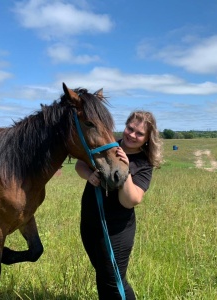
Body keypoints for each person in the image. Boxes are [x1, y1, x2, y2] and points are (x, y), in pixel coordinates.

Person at [75, 110, 163, 300]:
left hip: (116, 230)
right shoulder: (106, 145)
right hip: (90, 223)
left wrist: (124, 168)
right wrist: (89, 175)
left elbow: (130, 200)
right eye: (130, 128)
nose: (132, 135)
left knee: (115, 281)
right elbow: (80, 165)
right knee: (102, 274)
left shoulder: (143, 163)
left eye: (139, 134)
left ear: (147, 139)